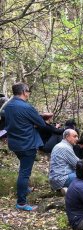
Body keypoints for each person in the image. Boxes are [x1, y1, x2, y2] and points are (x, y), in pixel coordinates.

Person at [4, 83, 46, 211]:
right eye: (28, 91)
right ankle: (21, 203)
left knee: (23, 168)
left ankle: (24, 188)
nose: (28, 93)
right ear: (23, 91)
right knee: (24, 173)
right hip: (27, 144)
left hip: (14, 143)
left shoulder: (8, 106)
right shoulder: (27, 107)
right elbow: (41, 124)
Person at [50, 129, 83, 195]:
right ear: (67, 137)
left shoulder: (59, 145)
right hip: (61, 179)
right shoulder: (65, 147)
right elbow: (78, 164)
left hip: (56, 179)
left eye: (77, 136)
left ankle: (67, 190)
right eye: (74, 136)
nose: (77, 139)